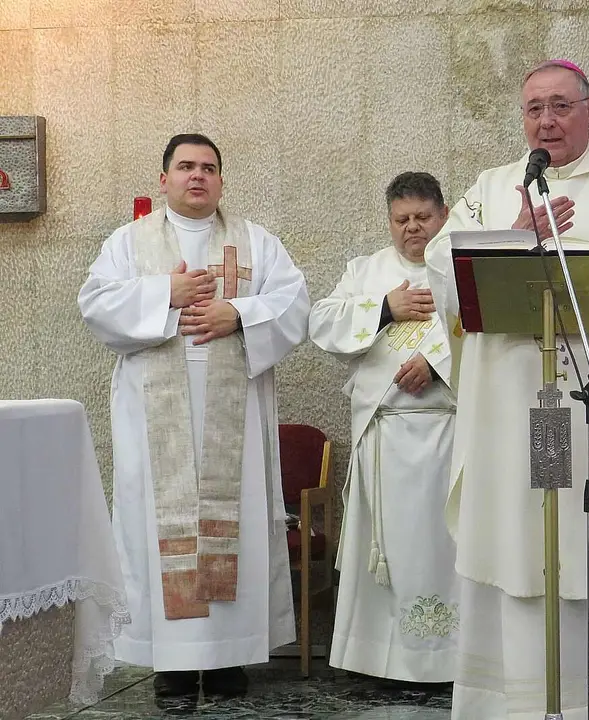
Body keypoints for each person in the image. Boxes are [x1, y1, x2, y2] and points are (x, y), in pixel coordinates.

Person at [423, 59, 589, 719]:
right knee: (518, 544)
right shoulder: (493, 187)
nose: (546, 120)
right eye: (534, 107)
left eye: (561, 105)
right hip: (517, 413)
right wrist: (516, 238)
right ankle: (510, 704)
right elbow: (444, 268)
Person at [78, 133, 310, 698]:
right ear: (164, 179)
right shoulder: (129, 243)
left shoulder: (257, 241)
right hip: (156, 422)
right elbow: (95, 304)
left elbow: (295, 303)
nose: (197, 176)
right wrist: (166, 293)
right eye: (185, 167)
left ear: (221, 181)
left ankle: (229, 658)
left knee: (239, 525)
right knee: (157, 526)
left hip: (236, 421)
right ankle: (171, 664)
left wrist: (239, 312)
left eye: (208, 168)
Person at [308, 171, 459, 682]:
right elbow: (323, 323)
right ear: (389, 222)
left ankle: (445, 661)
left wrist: (436, 362)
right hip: (384, 435)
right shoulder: (366, 270)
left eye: (422, 217)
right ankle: (377, 660)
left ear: (443, 214)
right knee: (386, 552)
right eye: (401, 219)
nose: (412, 228)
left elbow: (493, 332)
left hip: (448, 434)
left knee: (441, 547)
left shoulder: (464, 268)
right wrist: (383, 310)